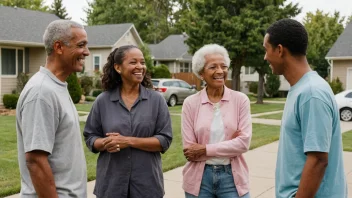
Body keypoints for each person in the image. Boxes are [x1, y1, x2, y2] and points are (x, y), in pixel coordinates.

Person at [263, 18, 348, 198]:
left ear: (279, 50)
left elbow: (318, 160)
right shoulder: (301, 89)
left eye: (266, 49)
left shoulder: (311, 93)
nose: (265, 57)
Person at [83, 45, 173, 198]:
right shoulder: (103, 101)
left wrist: (128, 141)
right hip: (111, 186)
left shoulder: (156, 101)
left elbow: (164, 140)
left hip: (147, 186)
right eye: (133, 62)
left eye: (142, 62)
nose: (140, 67)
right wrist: (106, 143)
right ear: (118, 67)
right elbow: (90, 137)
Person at [16, 20, 89, 197]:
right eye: (81, 45)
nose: (86, 52)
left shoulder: (56, 87)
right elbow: (35, 161)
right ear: (58, 47)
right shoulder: (42, 92)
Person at [181, 44, 252, 198]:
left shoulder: (240, 100)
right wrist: (229, 146)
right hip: (199, 181)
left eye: (223, 66)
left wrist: (204, 149)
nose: (220, 71)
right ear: (201, 74)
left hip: (232, 179)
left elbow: (243, 143)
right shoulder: (190, 103)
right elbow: (190, 151)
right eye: (213, 67)